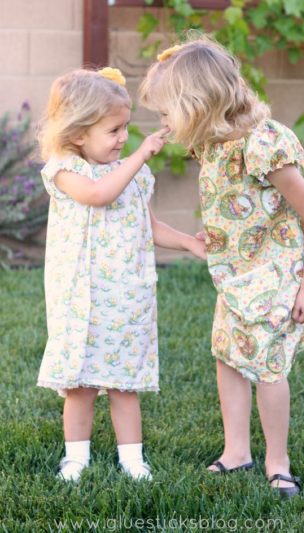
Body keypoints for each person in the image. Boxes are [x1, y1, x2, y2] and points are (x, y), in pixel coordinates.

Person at [140, 36, 304, 498]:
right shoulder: (212, 144)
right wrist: (216, 235)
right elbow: (234, 202)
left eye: (167, 112)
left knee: (265, 364)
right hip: (237, 272)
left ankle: (277, 462)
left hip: (278, 270)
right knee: (228, 356)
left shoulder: (263, 145)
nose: (162, 122)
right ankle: (236, 452)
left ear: (199, 104)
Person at [37, 67, 206, 482]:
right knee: (79, 385)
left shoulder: (134, 175)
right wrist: (139, 155)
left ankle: (133, 459)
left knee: (124, 382)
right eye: (113, 130)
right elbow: (99, 195)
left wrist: (187, 241)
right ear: (78, 134)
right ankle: (75, 457)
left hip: (125, 294)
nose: (123, 138)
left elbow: (147, 226)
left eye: (126, 128)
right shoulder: (64, 171)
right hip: (78, 295)